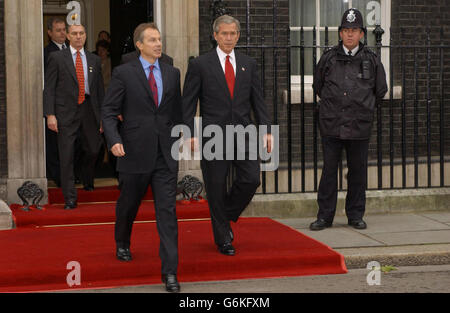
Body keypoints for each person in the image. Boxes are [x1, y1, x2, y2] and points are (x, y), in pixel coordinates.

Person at [182, 15, 273, 256]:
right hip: (214, 137)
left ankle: (227, 214)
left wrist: (266, 130)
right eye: (224, 33)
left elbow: (258, 100)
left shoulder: (248, 63)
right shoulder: (200, 65)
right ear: (215, 36)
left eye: (233, 33)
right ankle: (223, 238)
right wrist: (190, 133)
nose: (229, 38)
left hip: (244, 134)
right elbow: (188, 104)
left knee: (251, 178)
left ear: (238, 35)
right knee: (215, 187)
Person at [102, 23, 182, 293]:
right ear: (139, 44)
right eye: (152, 40)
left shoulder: (173, 73)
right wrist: (114, 140)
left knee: (167, 212)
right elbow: (109, 111)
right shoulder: (124, 73)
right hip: (133, 151)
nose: (158, 44)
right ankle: (122, 241)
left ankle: (170, 272)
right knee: (129, 204)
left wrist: (182, 137)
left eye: (160, 39)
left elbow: (177, 112)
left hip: (165, 155)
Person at [310, 8, 387, 231]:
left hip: (359, 126)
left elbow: (380, 90)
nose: (350, 34)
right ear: (340, 33)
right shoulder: (328, 58)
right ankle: (325, 216)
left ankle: (355, 215)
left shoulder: (371, 60)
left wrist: (365, 108)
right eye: (346, 30)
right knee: (328, 173)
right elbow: (318, 87)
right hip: (331, 125)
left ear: (362, 34)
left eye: (354, 30)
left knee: (357, 172)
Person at [43, 24, 105, 210]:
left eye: (81, 34)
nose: (78, 37)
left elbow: (100, 90)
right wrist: (50, 114)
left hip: (89, 109)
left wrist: (103, 116)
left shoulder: (94, 59)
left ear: (86, 36)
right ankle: (70, 197)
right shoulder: (57, 58)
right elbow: (50, 89)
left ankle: (85, 176)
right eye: (74, 34)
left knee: (94, 148)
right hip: (65, 111)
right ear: (68, 36)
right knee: (66, 154)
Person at [43, 17, 69, 188]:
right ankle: (58, 177)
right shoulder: (47, 53)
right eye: (58, 30)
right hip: (57, 105)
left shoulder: (74, 50)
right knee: (54, 144)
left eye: (63, 29)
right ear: (49, 33)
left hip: (74, 106)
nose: (62, 33)